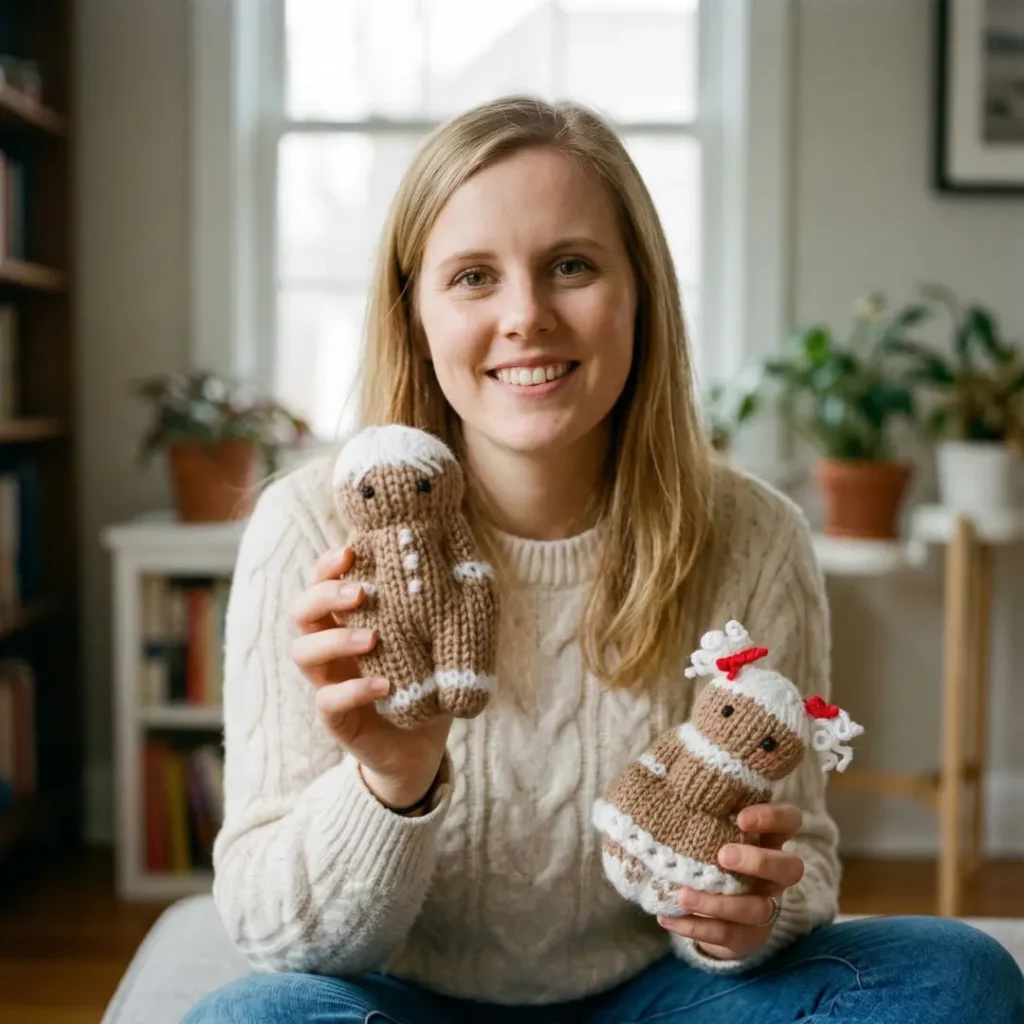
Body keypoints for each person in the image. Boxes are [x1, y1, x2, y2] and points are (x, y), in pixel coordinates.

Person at [184, 96, 1024, 1024]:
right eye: (472, 277)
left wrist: (737, 915)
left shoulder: (754, 537)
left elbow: (804, 857)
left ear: (640, 292)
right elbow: (277, 935)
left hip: (653, 999)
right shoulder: (309, 525)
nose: (526, 317)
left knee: (957, 976)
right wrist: (393, 781)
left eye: (572, 266)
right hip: (402, 1000)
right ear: (415, 311)